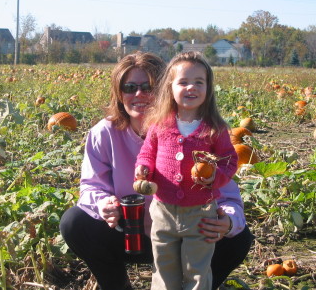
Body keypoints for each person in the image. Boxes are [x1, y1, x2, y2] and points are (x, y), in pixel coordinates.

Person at [59, 51, 254, 290]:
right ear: (119, 94)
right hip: (128, 233)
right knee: (74, 222)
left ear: (165, 90)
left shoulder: (199, 133)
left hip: (188, 233)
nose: (138, 94)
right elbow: (91, 186)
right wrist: (104, 204)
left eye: (148, 86)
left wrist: (228, 220)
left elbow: (229, 194)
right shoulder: (104, 133)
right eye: (129, 87)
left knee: (238, 238)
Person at [134, 51, 238, 289]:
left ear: (208, 88)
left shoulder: (214, 128)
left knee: (197, 270)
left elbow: (229, 161)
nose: (191, 87)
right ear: (170, 87)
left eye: (198, 82)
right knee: (163, 267)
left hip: (201, 213)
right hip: (162, 211)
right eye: (183, 82)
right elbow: (147, 153)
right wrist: (143, 169)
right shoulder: (159, 124)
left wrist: (214, 176)